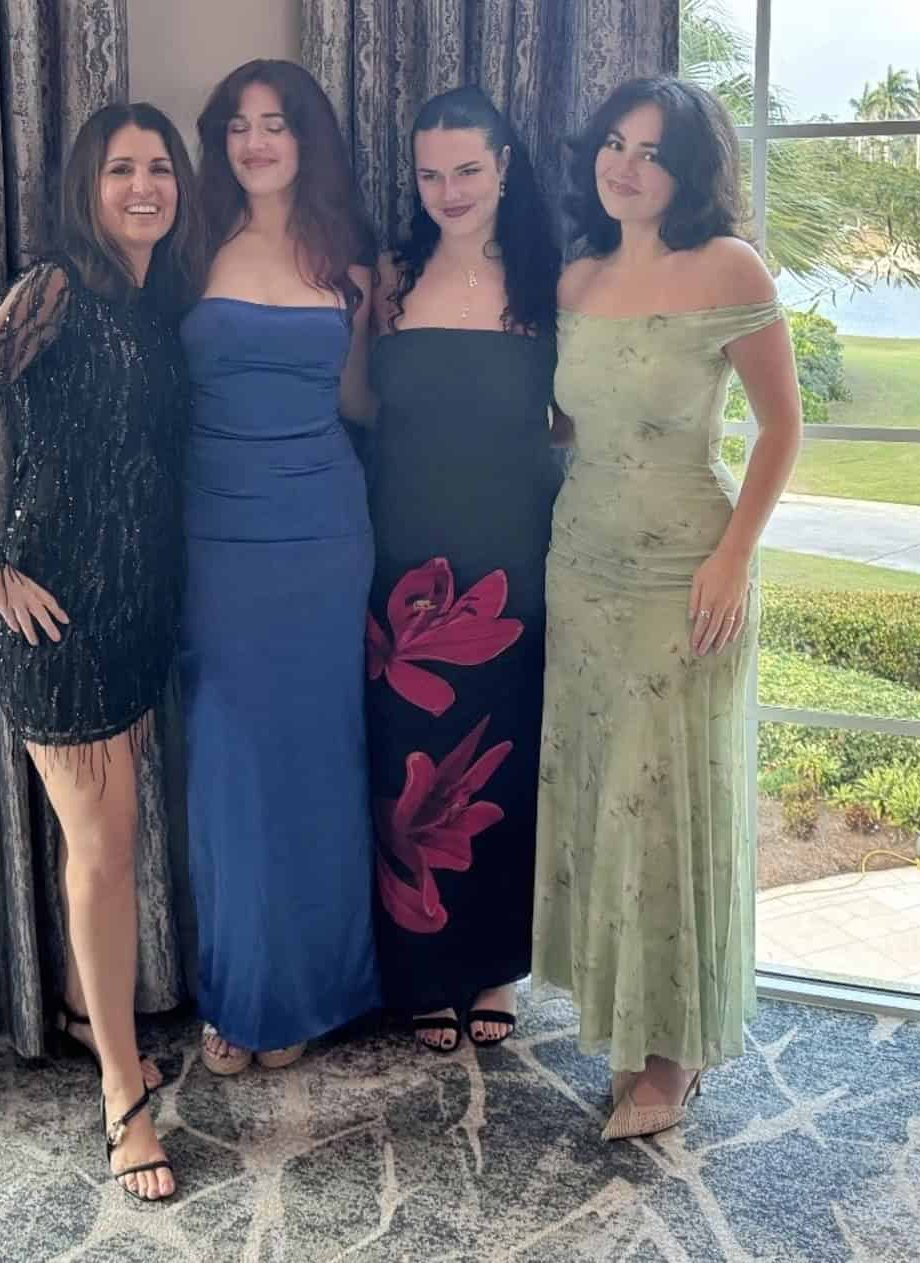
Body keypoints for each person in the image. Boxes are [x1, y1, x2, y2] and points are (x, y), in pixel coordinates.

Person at [0, 102, 204, 1202]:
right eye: (122, 169)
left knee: (109, 847)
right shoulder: (54, 289)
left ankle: (90, 1014)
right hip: (62, 627)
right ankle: (125, 1098)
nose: (144, 187)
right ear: (88, 188)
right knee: (106, 852)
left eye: (160, 169)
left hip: (142, 616)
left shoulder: (160, 300)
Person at [531, 76, 802, 1139]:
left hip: (686, 571)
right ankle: (624, 1021)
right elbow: (569, 423)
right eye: (614, 143)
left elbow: (782, 428)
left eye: (651, 152)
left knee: (664, 804)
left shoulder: (728, 268)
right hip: (580, 564)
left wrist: (735, 558)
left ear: (688, 173)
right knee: (605, 796)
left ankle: (673, 1052)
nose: (625, 165)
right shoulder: (578, 276)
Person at [179, 59, 381, 1074]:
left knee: (317, 755)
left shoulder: (352, 263)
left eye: (278, 124)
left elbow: (361, 404)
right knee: (231, 764)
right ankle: (240, 991)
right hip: (216, 537)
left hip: (322, 533)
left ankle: (311, 991)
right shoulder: (186, 247)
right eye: (239, 127)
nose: (258, 143)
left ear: (309, 139)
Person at [365, 87, 562, 1053]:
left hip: (513, 560)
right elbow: (360, 402)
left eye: (468, 170)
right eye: (430, 172)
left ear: (505, 167)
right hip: (402, 567)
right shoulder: (389, 278)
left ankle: (491, 966)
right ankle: (421, 969)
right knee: (408, 774)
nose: (449, 189)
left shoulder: (548, 279)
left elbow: (573, 417)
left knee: (502, 762)